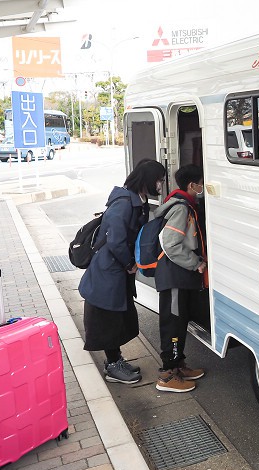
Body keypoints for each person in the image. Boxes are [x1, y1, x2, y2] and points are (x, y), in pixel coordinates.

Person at [78, 159, 166, 384]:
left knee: (115, 317)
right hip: (109, 271)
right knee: (107, 319)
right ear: (147, 179)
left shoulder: (137, 199)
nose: (160, 184)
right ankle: (112, 367)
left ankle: (115, 361)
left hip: (115, 270)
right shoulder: (125, 203)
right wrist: (129, 264)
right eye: (158, 179)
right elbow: (115, 240)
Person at [153, 164, 206, 393]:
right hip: (174, 276)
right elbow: (171, 245)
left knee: (180, 321)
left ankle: (179, 365)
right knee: (173, 324)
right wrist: (197, 264)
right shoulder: (181, 208)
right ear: (192, 185)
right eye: (201, 183)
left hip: (179, 275)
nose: (203, 187)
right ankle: (167, 375)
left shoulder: (183, 203)